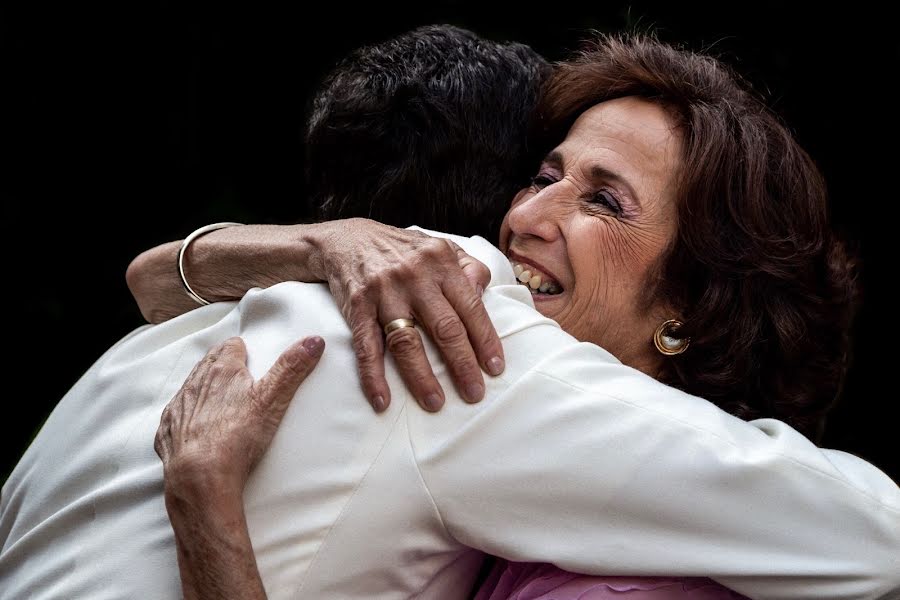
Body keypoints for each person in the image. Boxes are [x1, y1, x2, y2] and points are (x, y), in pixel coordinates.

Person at [1, 25, 897, 600]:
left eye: (604, 202)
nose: (526, 218)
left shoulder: (160, 341)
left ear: (691, 305)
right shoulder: (467, 344)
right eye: (545, 175)